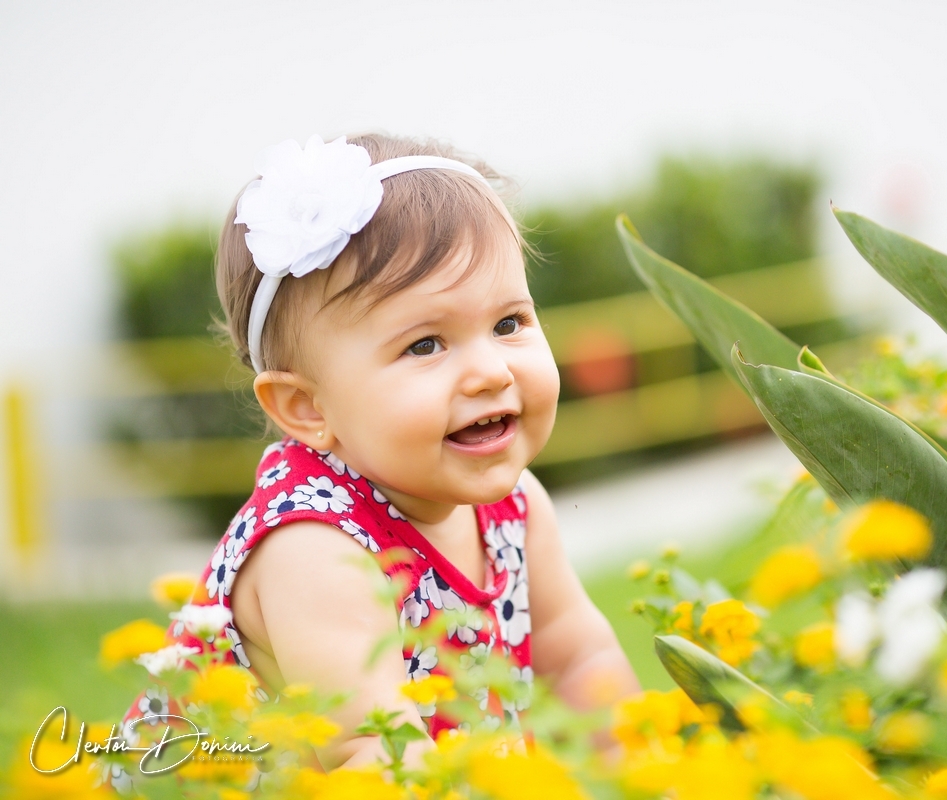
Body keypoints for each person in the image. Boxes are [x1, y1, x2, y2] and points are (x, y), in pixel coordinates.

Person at [119, 133, 640, 778]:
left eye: (508, 324)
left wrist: (646, 776)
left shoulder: (517, 507)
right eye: (425, 345)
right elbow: (373, 754)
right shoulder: (313, 547)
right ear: (309, 408)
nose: (489, 372)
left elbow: (578, 658)